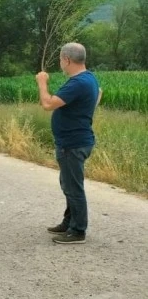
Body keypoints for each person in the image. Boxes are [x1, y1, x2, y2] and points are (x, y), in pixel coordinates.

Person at [36, 42, 102, 245]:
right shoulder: (88, 78)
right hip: (75, 140)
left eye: (60, 60)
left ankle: (78, 231)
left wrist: (42, 82)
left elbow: (47, 104)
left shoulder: (77, 83)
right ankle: (69, 221)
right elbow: (98, 93)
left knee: (73, 187)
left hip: (73, 144)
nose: (60, 64)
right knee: (68, 184)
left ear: (67, 59)